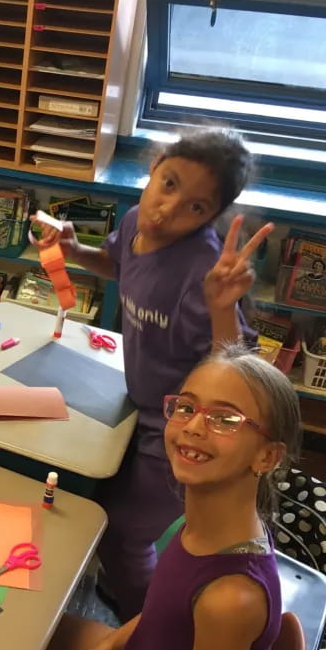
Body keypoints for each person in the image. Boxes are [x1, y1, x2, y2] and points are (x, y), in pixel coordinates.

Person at [31, 128, 272, 619]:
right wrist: (77, 252)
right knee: (102, 499)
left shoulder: (202, 269)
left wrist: (222, 305)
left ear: (213, 216)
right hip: (141, 402)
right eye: (169, 184)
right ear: (155, 165)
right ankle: (128, 592)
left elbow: (240, 367)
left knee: (124, 535)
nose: (169, 209)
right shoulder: (139, 221)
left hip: (186, 426)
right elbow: (121, 263)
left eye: (196, 208)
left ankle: (143, 628)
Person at [18, 345, 301, 650]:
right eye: (186, 407)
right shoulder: (207, 526)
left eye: (225, 418)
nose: (194, 426)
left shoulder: (231, 600)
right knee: (16, 630)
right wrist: (109, 646)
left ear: (266, 458)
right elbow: (165, 613)